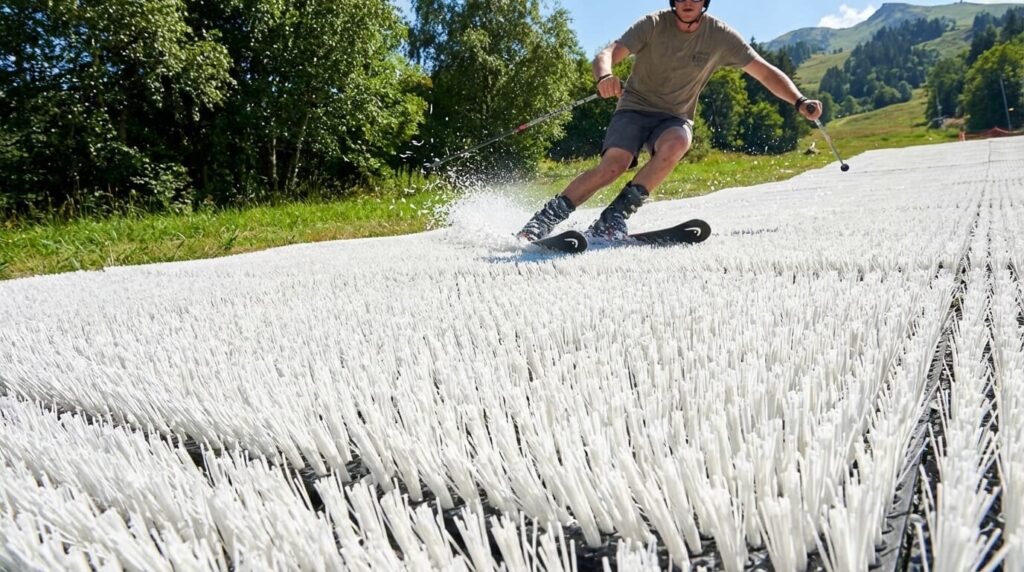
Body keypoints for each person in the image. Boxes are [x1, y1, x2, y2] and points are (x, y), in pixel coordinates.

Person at [517, 0, 822, 241]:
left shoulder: (721, 36)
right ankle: (543, 220)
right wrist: (606, 76)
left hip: (675, 116)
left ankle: (613, 219)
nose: (688, 2)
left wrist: (799, 100)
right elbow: (607, 53)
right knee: (614, 165)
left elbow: (765, 71)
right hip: (634, 108)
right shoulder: (653, 24)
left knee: (678, 142)